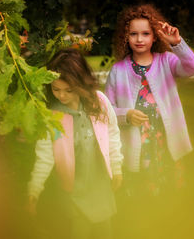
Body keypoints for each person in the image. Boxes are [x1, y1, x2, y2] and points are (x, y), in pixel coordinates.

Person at [105, 4, 194, 198]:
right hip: (136, 142)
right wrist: (127, 115)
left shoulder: (167, 60)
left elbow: (192, 67)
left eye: (145, 34)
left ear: (155, 36)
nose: (139, 39)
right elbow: (107, 110)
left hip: (166, 139)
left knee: (171, 191)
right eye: (133, 34)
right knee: (143, 192)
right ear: (126, 36)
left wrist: (177, 43)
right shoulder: (118, 70)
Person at [27, 48, 123, 239]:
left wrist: (117, 167)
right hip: (73, 190)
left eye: (68, 90)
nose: (61, 96)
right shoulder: (52, 115)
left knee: (105, 231)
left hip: (100, 184)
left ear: (81, 84)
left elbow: (112, 134)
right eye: (56, 89)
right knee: (80, 231)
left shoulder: (100, 103)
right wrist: (34, 189)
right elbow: (45, 154)